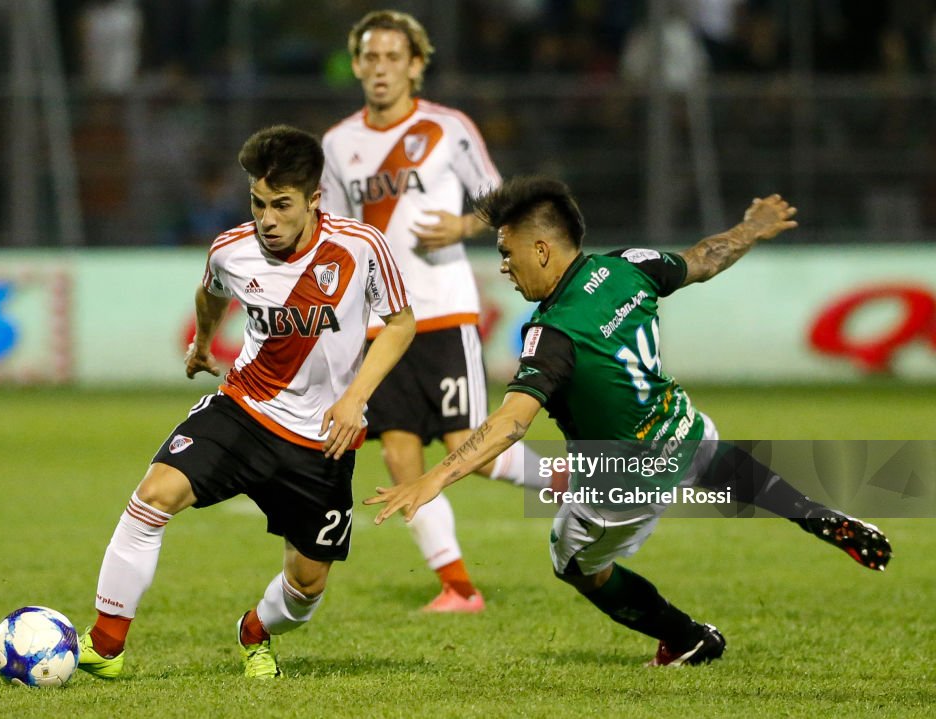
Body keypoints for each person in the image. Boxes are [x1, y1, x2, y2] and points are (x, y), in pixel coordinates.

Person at [367, 178, 893, 665]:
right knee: (714, 458)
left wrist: (432, 478)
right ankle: (813, 513)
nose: (504, 266)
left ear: (542, 249)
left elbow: (510, 422)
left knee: (574, 565)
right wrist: (752, 227)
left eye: (507, 253)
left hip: (621, 480)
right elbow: (703, 259)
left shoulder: (551, 334)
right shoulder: (625, 265)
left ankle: (687, 638)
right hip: (678, 428)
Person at [76, 125, 415, 680]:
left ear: (314, 201)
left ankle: (255, 630)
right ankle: (105, 645)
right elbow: (209, 293)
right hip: (245, 411)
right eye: (258, 203)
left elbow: (401, 324)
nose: (268, 219)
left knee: (306, 589)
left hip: (321, 443)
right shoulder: (232, 250)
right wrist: (202, 344)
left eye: (282, 206)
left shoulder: (360, 247)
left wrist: (357, 397)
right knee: (152, 497)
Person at [320, 9, 562, 614]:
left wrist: (460, 223)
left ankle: (584, 484)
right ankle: (458, 587)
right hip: (382, 323)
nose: (380, 69)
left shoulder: (447, 127)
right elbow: (335, 227)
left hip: (445, 311)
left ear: (416, 66)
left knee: (469, 446)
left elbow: (499, 197)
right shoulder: (338, 143)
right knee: (399, 452)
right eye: (370, 58)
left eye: (393, 58)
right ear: (356, 65)